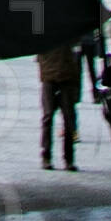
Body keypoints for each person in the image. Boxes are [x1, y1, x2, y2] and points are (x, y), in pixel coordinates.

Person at [37, 38, 83, 170]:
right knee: (48, 116)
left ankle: (68, 158)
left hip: (66, 75)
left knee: (68, 118)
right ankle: (47, 156)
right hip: (50, 76)